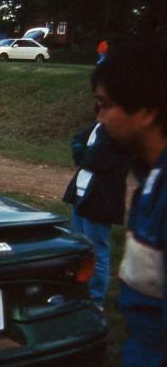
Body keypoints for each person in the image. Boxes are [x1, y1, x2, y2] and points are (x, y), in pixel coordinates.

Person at [83, 41, 167, 367]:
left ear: (147, 110)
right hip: (137, 359)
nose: (99, 117)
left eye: (106, 105)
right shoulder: (151, 176)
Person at [63, 120, 130, 306]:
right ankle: (78, 293)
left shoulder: (117, 129)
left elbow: (96, 160)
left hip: (101, 199)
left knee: (96, 252)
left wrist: (83, 153)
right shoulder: (98, 125)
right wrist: (83, 151)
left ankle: (95, 301)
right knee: (78, 247)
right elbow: (77, 140)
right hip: (80, 195)